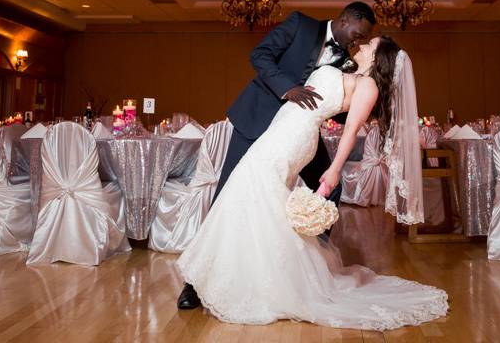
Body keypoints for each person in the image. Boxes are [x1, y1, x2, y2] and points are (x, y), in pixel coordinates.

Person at [177, 36, 449, 330]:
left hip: (294, 137)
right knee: (253, 192)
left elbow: (350, 131)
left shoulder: (368, 86)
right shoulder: (353, 74)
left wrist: (333, 170)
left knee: (253, 186)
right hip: (281, 130)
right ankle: (242, 272)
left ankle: (260, 281)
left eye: (370, 46)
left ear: (378, 57)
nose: (362, 47)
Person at [177, 2, 375, 310]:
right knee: (229, 193)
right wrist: (289, 88)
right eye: (357, 33)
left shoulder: (345, 58)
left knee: (331, 187)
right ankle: (195, 283)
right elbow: (260, 55)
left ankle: (310, 265)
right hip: (259, 121)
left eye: (363, 39)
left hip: (296, 134)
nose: (357, 42)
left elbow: (330, 100)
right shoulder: (300, 24)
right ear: (346, 18)